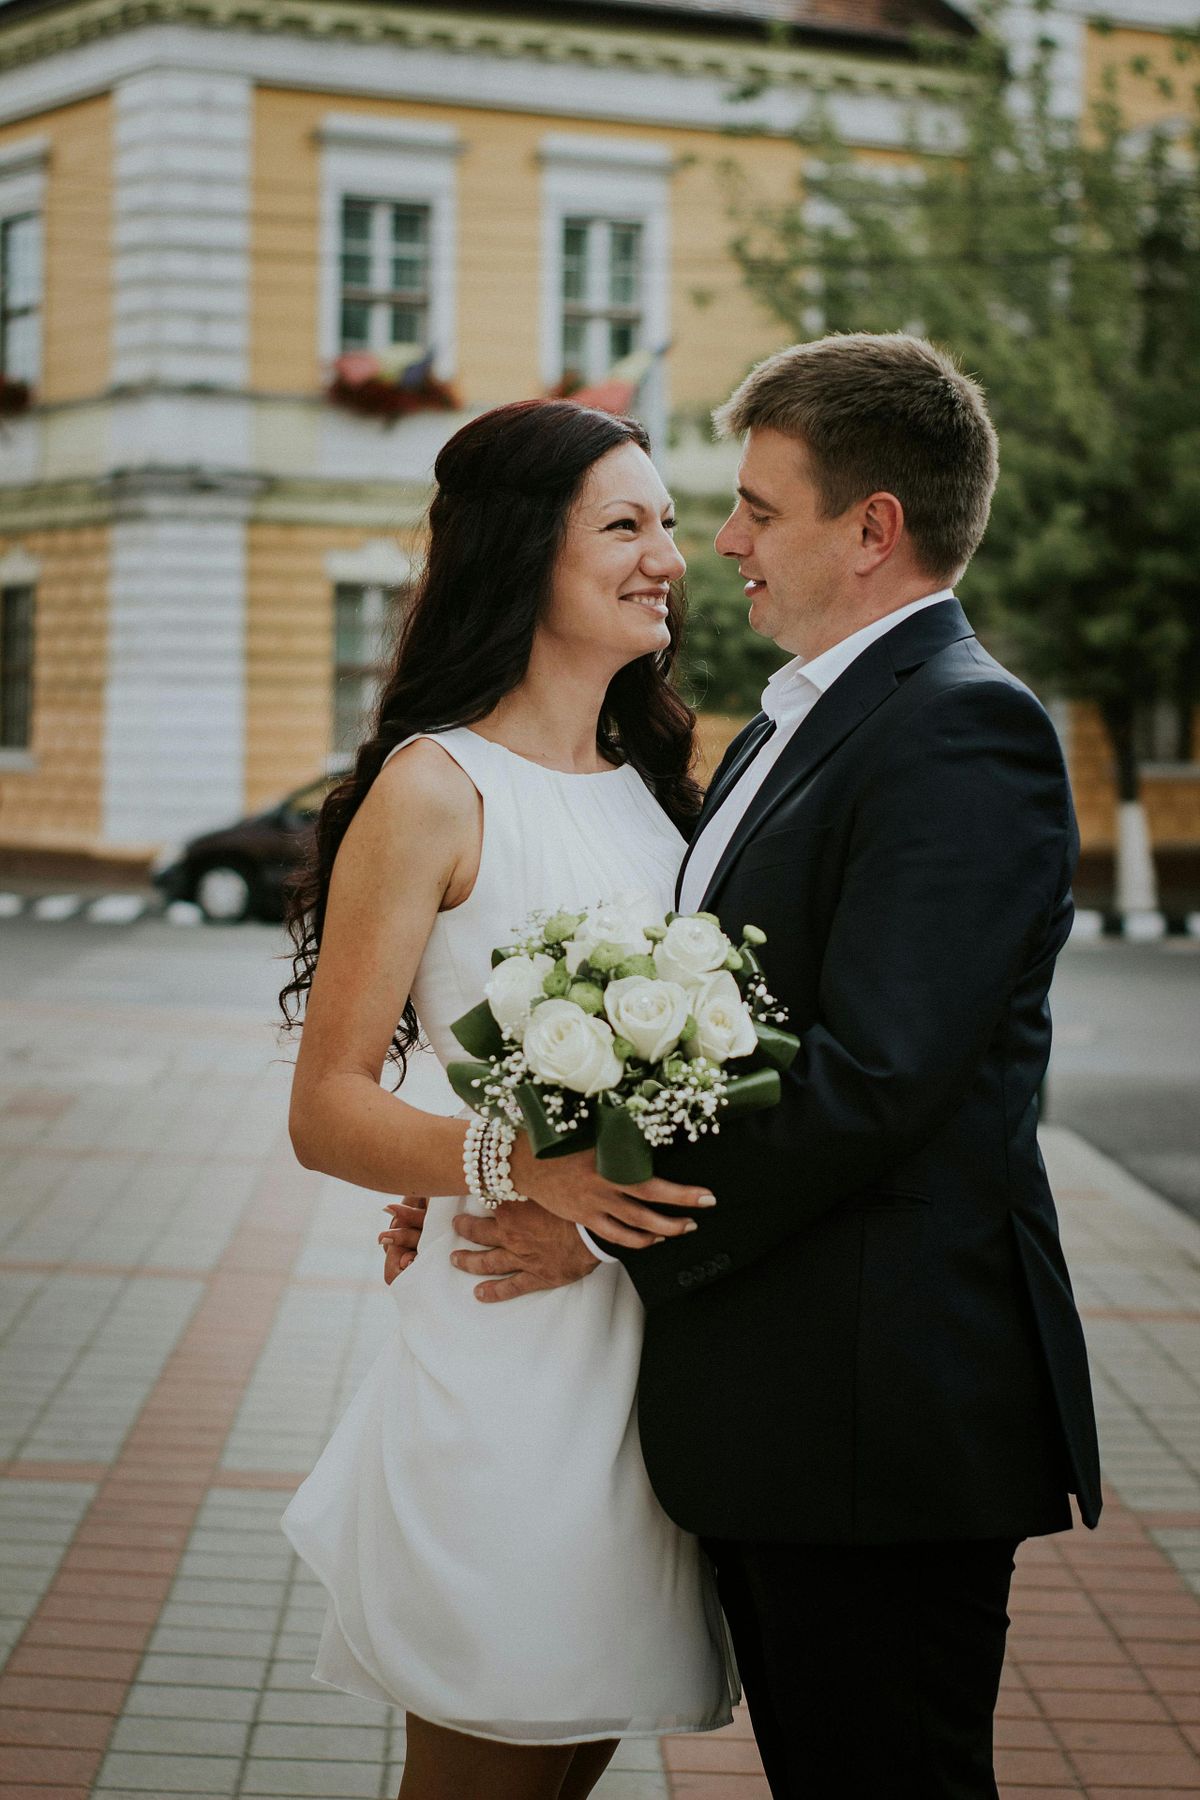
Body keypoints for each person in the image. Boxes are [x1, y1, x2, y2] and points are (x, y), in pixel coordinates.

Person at [389, 334, 1103, 1799]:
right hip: (786, 1411)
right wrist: (503, 1147)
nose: (720, 544)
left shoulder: (963, 727)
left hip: (877, 1415)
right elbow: (710, 1029)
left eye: (756, 509)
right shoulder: (796, 724)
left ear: (873, 529)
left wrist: (598, 1210)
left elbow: (874, 1080)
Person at [277, 399, 738, 1800]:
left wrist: (573, 1192)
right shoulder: (436, 789)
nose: (669, 553)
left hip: (642, 1339)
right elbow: (329, 1109)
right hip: (508, 1348)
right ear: (521, 552)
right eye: (625, 524)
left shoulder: (662, 784)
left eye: (667, 522)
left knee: (571, 1757)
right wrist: (505, 1166)